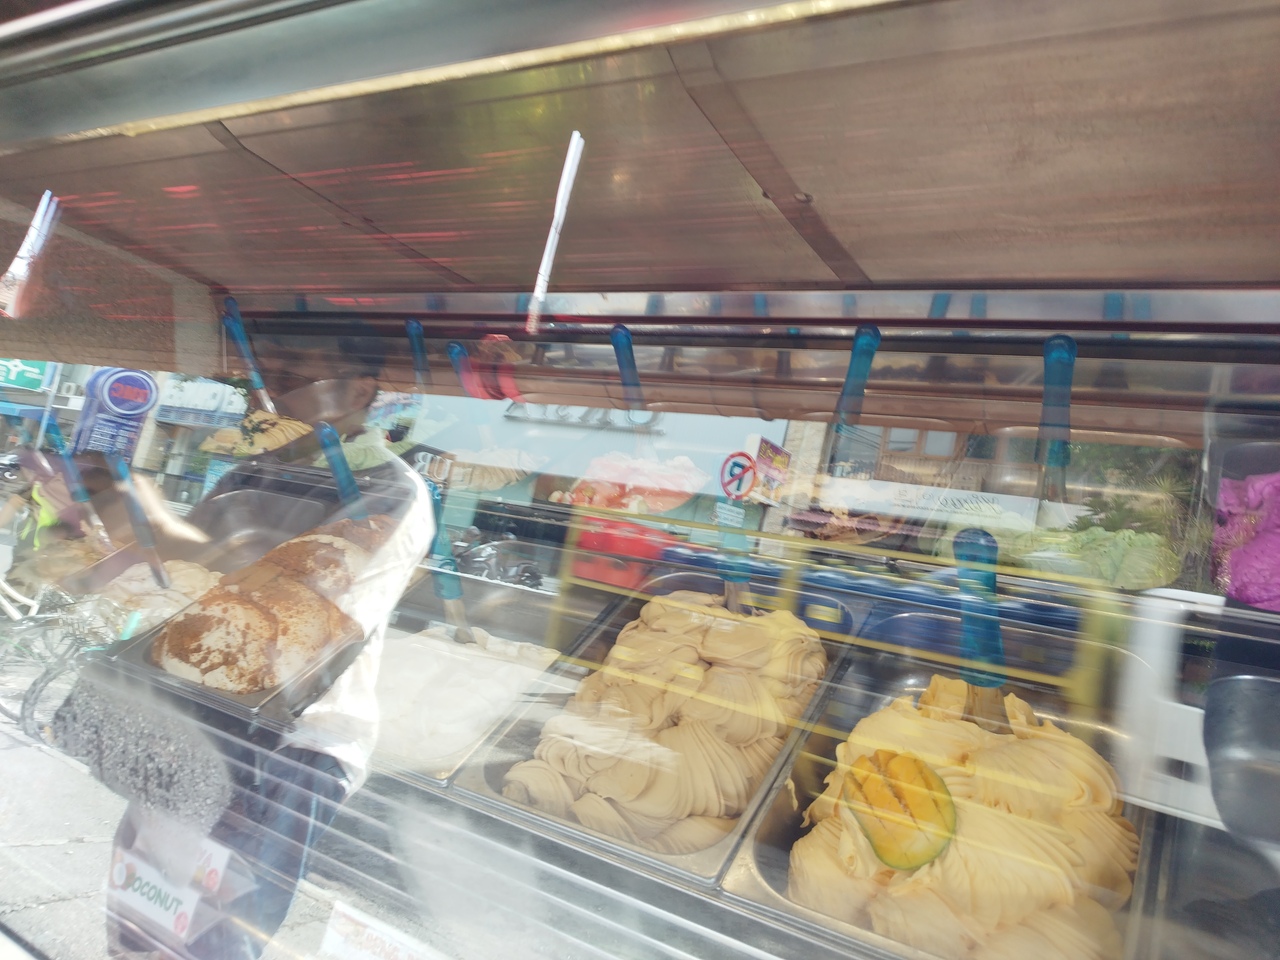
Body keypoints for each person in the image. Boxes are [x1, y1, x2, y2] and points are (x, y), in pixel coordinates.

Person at [104, 329, 433, 960]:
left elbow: (305, 629)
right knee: (139, 917)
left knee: (210, 937)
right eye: (270, 375)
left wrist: (181, 563)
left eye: (296, 375)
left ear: (359, 392)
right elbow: (183, 575)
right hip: (190, 711)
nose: (273, 392)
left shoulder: (392, 493)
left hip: (293, 742)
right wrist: (135, 537)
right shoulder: (253, 470)